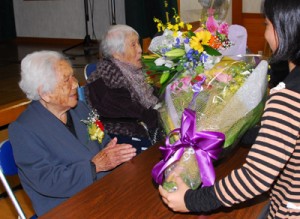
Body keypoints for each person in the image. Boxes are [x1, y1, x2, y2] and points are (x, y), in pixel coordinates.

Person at [158, 0, 300, 218]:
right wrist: (239, 131)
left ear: (285, 29)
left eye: (266, 25)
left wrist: (191, 201)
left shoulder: (288, 96)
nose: (265, 34)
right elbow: (287, 136)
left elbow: (256, 176)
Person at [8, 51, 137, 216]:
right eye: (66, 80)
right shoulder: (24, 129)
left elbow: (104, 143)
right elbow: (47, 181)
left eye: (73, 77)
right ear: (45, 93)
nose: (75, 84)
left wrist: (116, 153)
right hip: (65, 207)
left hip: (103, 190)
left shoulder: (79, 108)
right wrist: (94, 167)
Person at [84, 24, 163, 154]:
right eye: (133, 45)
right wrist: (163, 116)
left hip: (145, 126)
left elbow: (153, 95)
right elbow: (134, 113)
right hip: (126, 138)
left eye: (138, 44)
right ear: (116, 53)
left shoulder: (134, 72)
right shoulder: (105, 80)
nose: (140, 50)